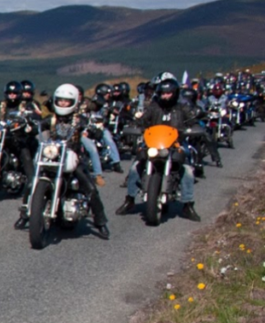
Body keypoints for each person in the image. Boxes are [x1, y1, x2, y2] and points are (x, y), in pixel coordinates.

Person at [116, 78, 201, 221]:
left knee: (187, 172)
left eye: (169, 93)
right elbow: (142, 120)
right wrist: (135, 126)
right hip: (153, 145)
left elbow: (193, 121)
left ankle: (188, 205)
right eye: (163, 93)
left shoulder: (181, 108)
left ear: (175, 93)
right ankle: (130, 200)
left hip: (176, 144)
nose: (165, 96)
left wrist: (193, 128)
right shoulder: (154, 107)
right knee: (134, 168)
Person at [36, 84, 111, 239]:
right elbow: (37, 126)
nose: (63, 104)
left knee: (90, 188)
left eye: (67, 101)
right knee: (33, 181)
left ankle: (101, 222)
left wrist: (93, 130)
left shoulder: (80, 120)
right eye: (60, 100)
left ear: (74, 102)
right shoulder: (51, 119)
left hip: (74, 158)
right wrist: (29, 127)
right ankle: (26, 213)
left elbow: (94, 130)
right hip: (53, 156)